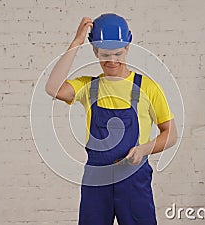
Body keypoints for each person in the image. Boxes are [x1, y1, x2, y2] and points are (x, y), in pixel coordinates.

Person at [45, 13, 177, 225]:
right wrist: (77, 42)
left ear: (127, 47)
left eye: (117, 53)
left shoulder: (147, 88)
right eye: (105, 54)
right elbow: (52, 88)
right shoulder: (88, 86)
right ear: (95, 50)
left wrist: (143, 150)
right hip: (97, 178)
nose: (112, 61)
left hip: (134, 178)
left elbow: (170, 135)